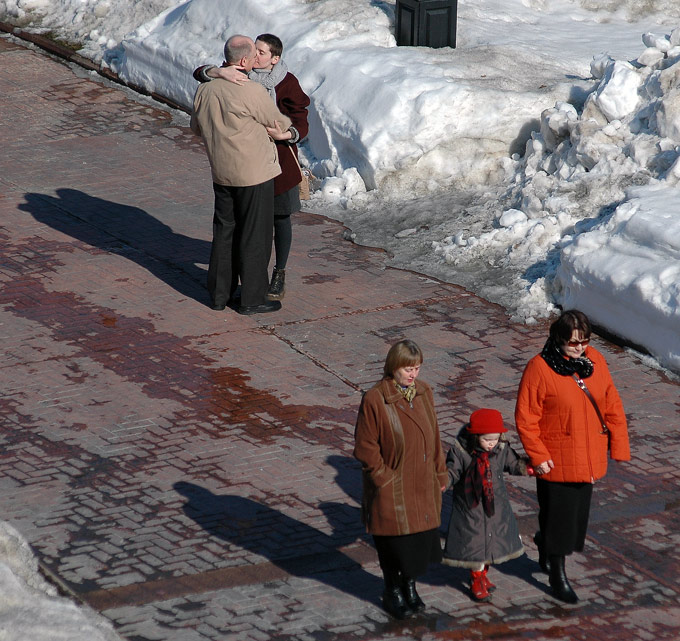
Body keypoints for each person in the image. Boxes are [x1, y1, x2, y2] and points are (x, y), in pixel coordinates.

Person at [515, 309, 630, 603]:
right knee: (561, 523)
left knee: (576, 522)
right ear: (558, 339)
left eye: (584, 341)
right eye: (573, 342)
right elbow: (526, 418)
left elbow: (611, 402)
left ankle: (545, 542)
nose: (580, 347)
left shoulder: (596, 361)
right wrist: (538, 455)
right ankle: (558, 573)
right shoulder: (539, 368)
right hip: (555, 459)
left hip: (589, 455)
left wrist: (619, 444)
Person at [194, 34, 310, 302]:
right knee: (251, 227)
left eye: (262, 52)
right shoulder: (237, 79)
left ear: (275, 59)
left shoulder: (287, 82)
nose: (256, 56)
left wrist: (289, 134)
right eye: (254, 51)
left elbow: (300, 118)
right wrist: (217, 71)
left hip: (279, 162)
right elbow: (199, 73)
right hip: (252, 163)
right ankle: (249, 286)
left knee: (280, 218)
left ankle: (278, 272)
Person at [353, 339, 448, 619]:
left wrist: (439, 471)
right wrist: (383, 478)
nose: (413, 374)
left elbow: (435, 436)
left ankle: (409, 586)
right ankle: (392, 590)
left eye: (417, 368)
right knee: (393, 544)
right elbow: (365, 446)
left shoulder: (423, 392)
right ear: (393, 366)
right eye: (407, 368)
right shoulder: (375, 398)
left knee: (417, 544)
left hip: (421, 483)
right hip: (392, 487)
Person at [442, 408, 533, 602]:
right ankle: (476, 579)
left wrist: (528, 467)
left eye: (495, 439)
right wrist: (444, 481)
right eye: (487, 440)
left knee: (491, 542)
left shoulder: (500, 449)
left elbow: (513, 463)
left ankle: (483, 575)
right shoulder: (461, 451)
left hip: (494, 505)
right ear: (476, 437)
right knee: (475, 545)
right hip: (470, 507)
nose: (491, 444)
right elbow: (452, 471)